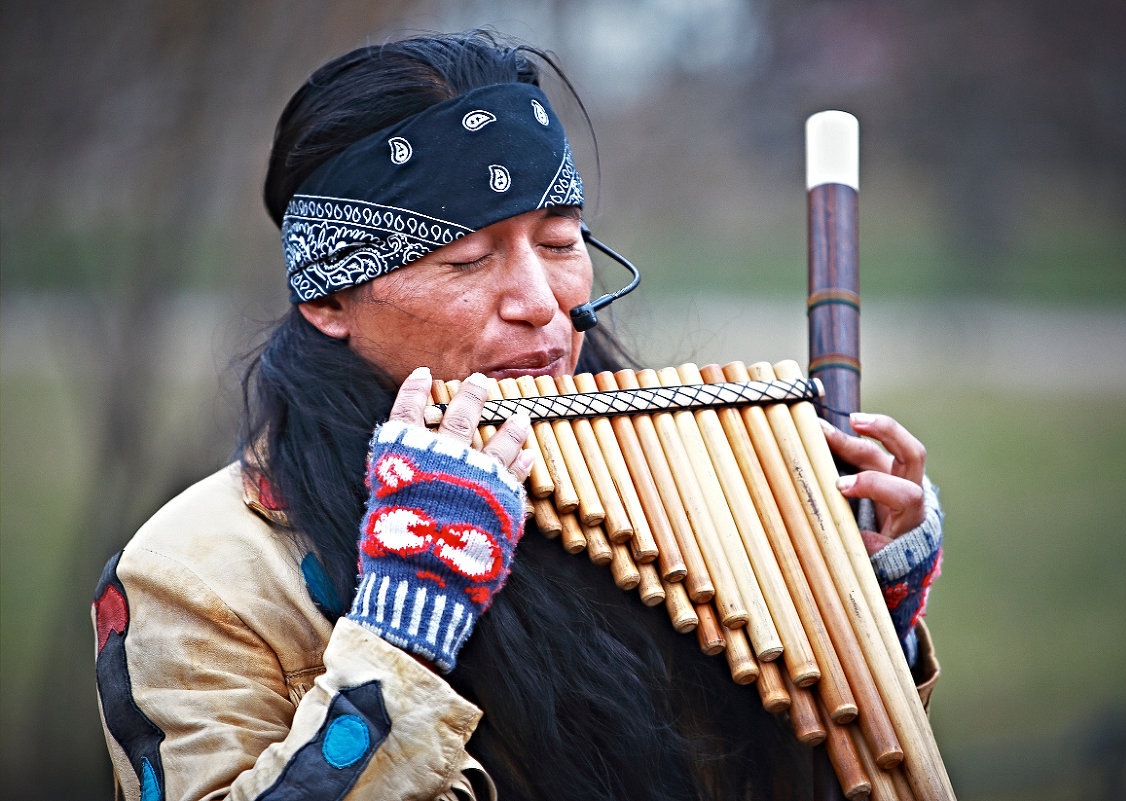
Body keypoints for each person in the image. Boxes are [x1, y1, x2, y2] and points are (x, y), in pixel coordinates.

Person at [92, 29, 943, 801]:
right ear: (330, 297)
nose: (541, 303)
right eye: (466, 259)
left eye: (562, 242)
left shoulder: (685, 495)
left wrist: (857, 621)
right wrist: (406, 625)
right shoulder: (196, 571)